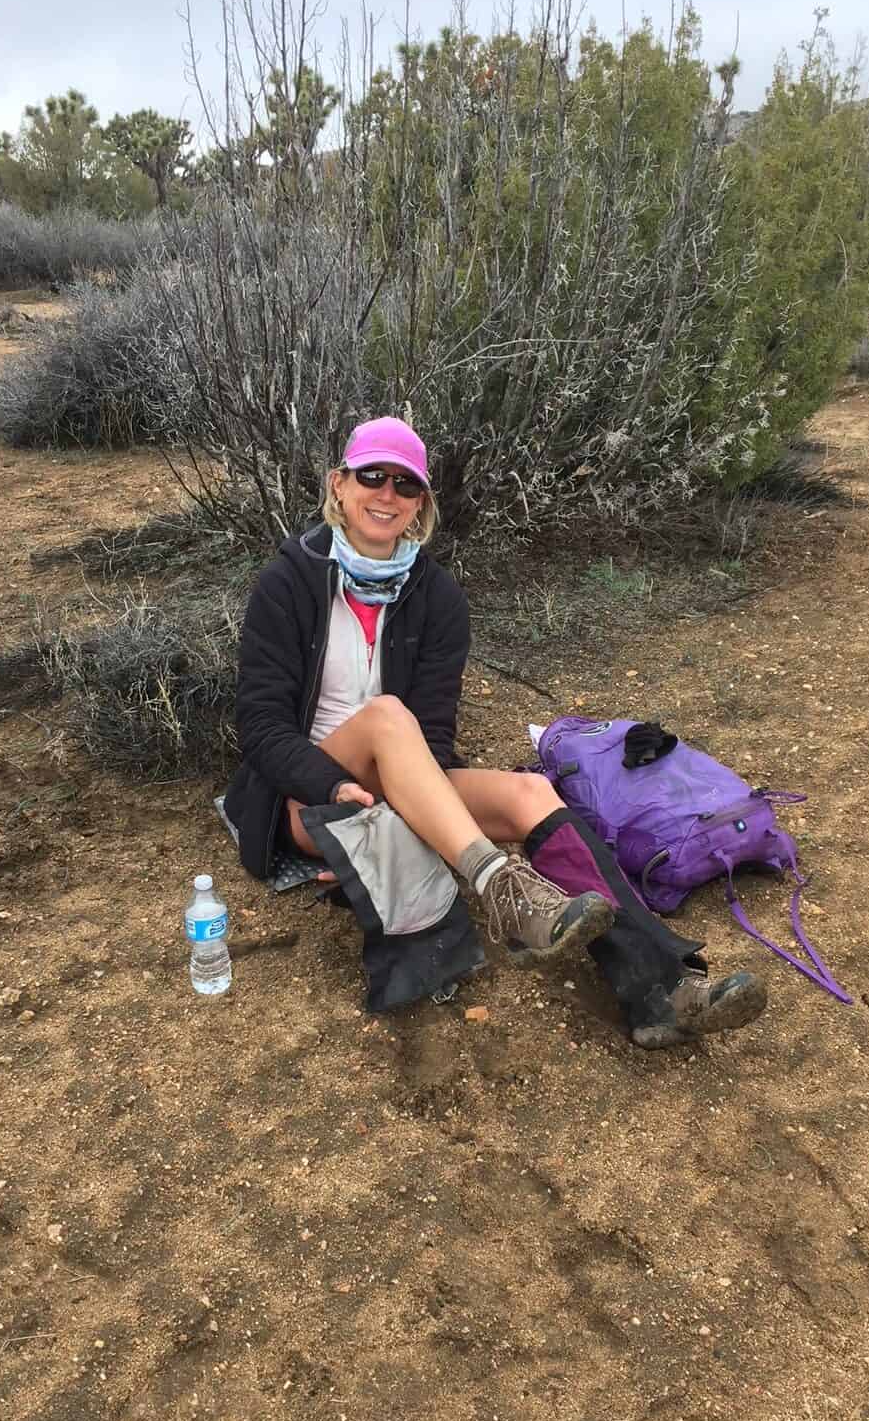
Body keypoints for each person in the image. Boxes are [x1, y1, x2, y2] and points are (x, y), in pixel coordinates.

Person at [225, 417, 767, 1047]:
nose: (386, 494)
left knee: (531, 795)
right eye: (372, 475)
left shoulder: (437, 598)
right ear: (339, 485)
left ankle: (662, 986)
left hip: (400, 780)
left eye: (406, 485)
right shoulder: (288, 582)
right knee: (385, 717)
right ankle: (499, 885)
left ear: (421, 504)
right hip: (310, 796)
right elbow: (261, 727)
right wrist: (333, 786)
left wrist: (407, 819)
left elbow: (428, 739)